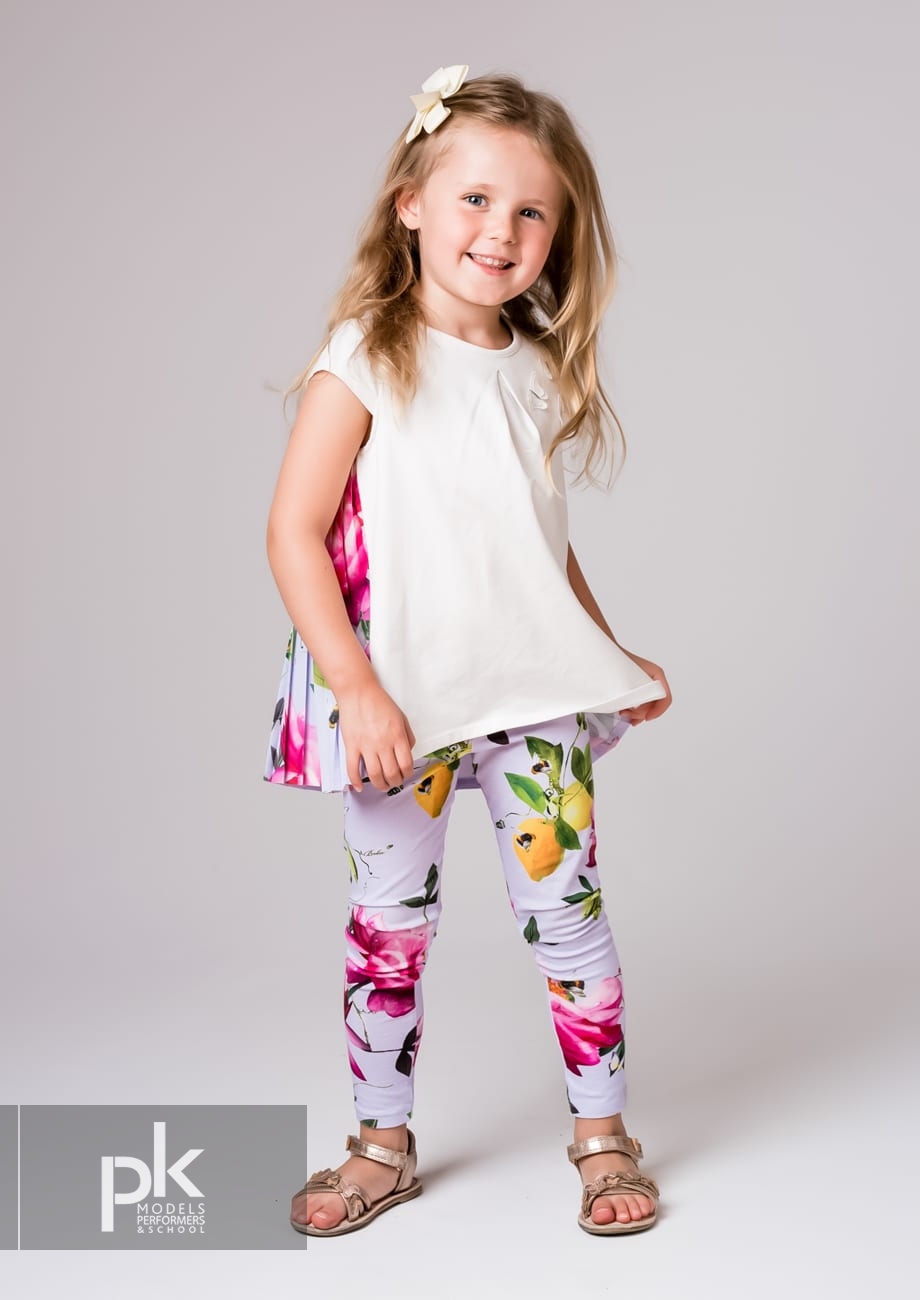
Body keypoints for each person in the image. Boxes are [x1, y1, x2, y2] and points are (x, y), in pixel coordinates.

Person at [263, 65, 672, 1237]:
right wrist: (355, 688)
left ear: (559, 235)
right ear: (410, 203)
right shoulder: (366, 352)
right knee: (387, 931)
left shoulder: (536, 372)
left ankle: (602, 1136)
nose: (500, 231)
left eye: (531, 211)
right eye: (475, 200)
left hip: (533, 701)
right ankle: (379, 1144)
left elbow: (536, 541)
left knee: (569, 915)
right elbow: (292, 532)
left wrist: (608, 653)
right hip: (402, 709)